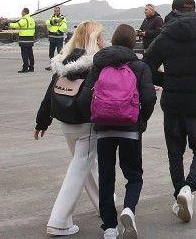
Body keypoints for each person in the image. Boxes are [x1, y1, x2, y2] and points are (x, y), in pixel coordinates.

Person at [142, 0, 196, 224]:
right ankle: (189, 188)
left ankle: (179, 193)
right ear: (194, 9)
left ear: (173, 11)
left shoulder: (164, 36)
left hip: (173, 102)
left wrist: (165, 82)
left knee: (175, 152)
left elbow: (146, 66)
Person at [80, 24, 156, 239]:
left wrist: (95, 116)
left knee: (106, 177)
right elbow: (149, 98)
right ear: (133, 42)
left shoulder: (99, 66)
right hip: (130, 129)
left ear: (113, 40)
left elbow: (85, 98)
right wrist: (141, 120)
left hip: (104, 129)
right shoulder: (140, 67)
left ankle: (110, 228)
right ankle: (129, 209)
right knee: (134, 175)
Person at [34, 20, 104, 236]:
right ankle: (59, 221)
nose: (104, 40)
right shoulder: (96, 62)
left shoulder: (64, 59)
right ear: (94, 39)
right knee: (80, 167)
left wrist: (42, 121)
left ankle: (104, 204)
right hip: (86, 123)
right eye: (100, 36)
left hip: (65, 122)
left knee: (86, 165)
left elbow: (50, 91)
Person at [9, 7, 37, 73]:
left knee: (24, 54)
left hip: (24, 40)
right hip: (30, 39)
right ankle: (31, 67)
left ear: (24, 12)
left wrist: (9, 24)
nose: (21, 13)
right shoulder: (32, 20)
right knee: (30, 54)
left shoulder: (24, 19)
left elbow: (17, 25)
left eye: (22, 12)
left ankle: (25, 68)